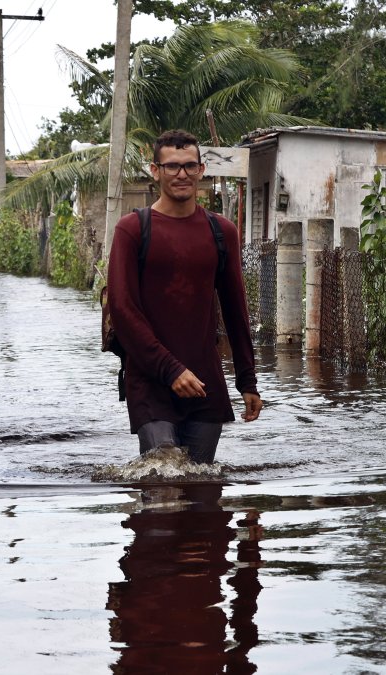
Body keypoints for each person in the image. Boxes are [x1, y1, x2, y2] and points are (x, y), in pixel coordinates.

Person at [106, 129, 262, 463]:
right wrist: (170, 370)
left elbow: (236, 310)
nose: (182, 174)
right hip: (150, 380)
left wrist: (247, 380)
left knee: (202, 493)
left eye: (190, 166)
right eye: (172, 166)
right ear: (155, 171)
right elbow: (122, 309)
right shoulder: (132, 230)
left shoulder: (221, 232)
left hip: (205, 382)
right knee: (163, 485)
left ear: (201, 171)